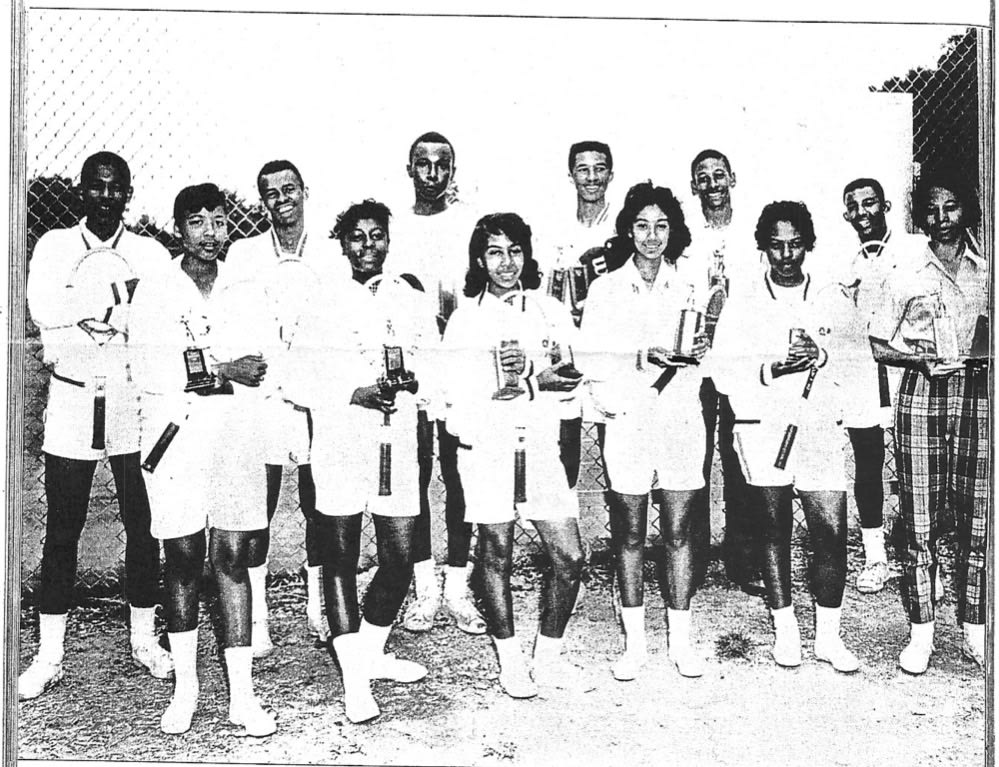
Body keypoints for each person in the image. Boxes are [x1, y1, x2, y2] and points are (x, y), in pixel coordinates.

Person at [20, 150, 173, 700]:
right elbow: (45, 309)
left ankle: (142, 640)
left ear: (128, 193)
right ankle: (50, 654)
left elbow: (152, 315)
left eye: (116, 188)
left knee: (142, 524)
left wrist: (87, 309)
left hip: (133, 404)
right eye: (96, 187)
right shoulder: (55, 246)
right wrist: (108, 306)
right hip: (73, 402)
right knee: (63, 529)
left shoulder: (150, 253)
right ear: (82, 192)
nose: (106, 197)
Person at [129, 183, 276, 735]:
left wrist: (224, 372)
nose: (210, 232)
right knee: (185, 557)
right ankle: (186, 689)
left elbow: (260, 364)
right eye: (198, 221)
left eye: (219, 221)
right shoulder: (158, 289)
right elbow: (152, 370)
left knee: (233, 558)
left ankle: (243, 696)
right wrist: (222, 370)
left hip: (234, 432)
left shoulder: (245, 287)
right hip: (174, 436)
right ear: (178, 227)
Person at [288, 199, 434, 723]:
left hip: (397, 439)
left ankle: (370, 653)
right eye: (357, 236)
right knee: (341, 558)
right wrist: (356, 391)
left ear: (389, 241)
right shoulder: (323, 300)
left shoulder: (409, 298)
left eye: (377, 236)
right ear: (342, 242)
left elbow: (432, 364)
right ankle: (354, 681)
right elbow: (297, 378)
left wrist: (413, 383)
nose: (368, 245)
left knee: (398, 557)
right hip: (342, 441)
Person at [442, 213, 586, 698]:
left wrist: (559, 381)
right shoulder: (466, 320)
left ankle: (546, 659)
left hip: (539, 448)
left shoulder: (549, 311)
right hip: (487, 452)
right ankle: (510, 662)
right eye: (496, 252)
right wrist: (528, 384)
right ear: (480, 260)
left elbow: (567, 387)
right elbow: (459, 406)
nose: (507, 263)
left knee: (569, 556)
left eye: (515, 250)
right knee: (496, 553)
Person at [712, 200, 859, 673]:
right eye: (776, 245)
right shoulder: (745, 299)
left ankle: (829, 637)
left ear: (808, 245)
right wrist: (771, 368)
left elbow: (856, 359)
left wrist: (822, 355)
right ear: (763, 248)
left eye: (795, 244)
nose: (786, 254)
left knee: (831, 531)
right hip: (763, 426)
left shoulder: (831, 296)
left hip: (816, 425)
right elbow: (722, 373)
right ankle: (787, 631)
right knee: (773, 529)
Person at [580, 182, 710, 681]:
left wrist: (699, 348)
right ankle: (634, 645)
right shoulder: (605, 288)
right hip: (631, 421)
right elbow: (591, 358)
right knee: (630, 534)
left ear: (673, 230)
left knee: (678, 531)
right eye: (641, 225)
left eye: (661, 225)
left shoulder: (692, 285)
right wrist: (641, 357)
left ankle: (681, 640)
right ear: (627, 231)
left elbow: (706, 355)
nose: (651, 236)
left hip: (679, 417)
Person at [226, 159, 350, 653]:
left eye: (289, 189)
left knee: (321, 504)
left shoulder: (332, 254)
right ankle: (256, 619)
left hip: (317, 391)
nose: (282, 199)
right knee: (260, 504)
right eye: (271, 192)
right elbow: (233, 321)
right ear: (263, 201)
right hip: (265, 394)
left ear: (304, 191)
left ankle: (319, 607)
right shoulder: (245, 255)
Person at [869, 170, 988, 673]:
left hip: (980, 396)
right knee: (920, 517)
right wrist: (918, 361)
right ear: (920, 216)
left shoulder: (988, 269)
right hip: (922, 395)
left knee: (978, 517)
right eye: (932, 210)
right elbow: (878, 343)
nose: (941, 219)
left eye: (951, 208)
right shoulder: (903, 270)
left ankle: (976, 630)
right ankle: (922, 633)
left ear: (969, 211)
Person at [392, 132, 485, 635]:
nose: (432, 173)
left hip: (461, 361)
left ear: (453, 170)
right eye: (422, 164)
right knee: (415, 470)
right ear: (409, 169)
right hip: (414, 363)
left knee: (460, 469)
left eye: (441, 164)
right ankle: (423, 587)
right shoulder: (396, 225)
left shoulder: (470, 220)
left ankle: (458, 584)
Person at [838, 177, 924, 594]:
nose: (862, 213)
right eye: (853, 206)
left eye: (869, 203)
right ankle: (876, 557)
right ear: (846, 215)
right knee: (868, 467)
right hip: (862, 379)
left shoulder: (913, 250)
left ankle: (920, 558)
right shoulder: (846, 263)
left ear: (885, 205)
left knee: (915, 468)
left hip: (907, 372)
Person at [686, 148, 762, 596]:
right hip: (696, 363)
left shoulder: (751, 233)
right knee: (694, 456)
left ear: (732, 178)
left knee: (738, 456)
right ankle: (690, 561)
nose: (712, 184)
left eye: (719, 175)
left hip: (739, 360)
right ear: (694, 185)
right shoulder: (686, 236)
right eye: (703, 178)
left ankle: (744, 559)